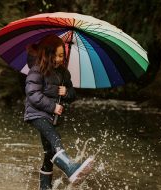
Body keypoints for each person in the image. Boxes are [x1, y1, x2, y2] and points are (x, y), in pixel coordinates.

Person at [24, 34, 94, 190]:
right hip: (36, 114)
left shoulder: (63, 73)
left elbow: (72, 94)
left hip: (50, 116)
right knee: (54, 137)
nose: (61, 58)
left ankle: (45, 187)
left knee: (49, 152)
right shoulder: (37, 70)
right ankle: (70, 167)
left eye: (63, 55)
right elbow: (33, 94)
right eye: (58, 55)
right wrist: (53, 106)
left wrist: (66, 93)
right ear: (49, 54)